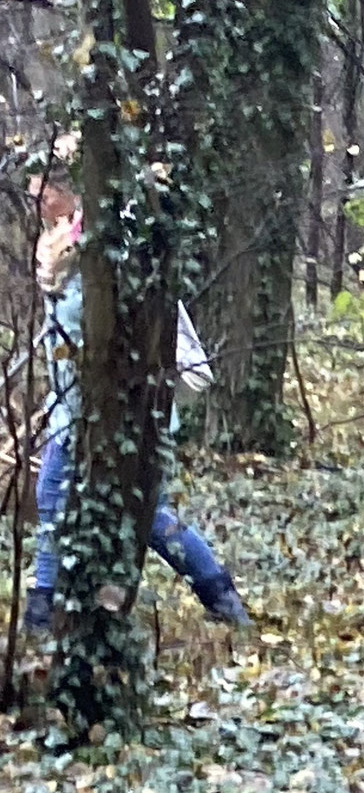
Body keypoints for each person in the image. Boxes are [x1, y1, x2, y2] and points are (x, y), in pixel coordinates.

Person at [24, 168, 250, 631]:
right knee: (116, 509)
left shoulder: (108, 248)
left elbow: (117, 339)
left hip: (120, 414)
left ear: (70, 190)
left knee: (128, 511)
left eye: (44, 193)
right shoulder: (60, 248)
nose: (38, 204)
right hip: (75, 412)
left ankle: (41, 615)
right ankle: (219, 595)